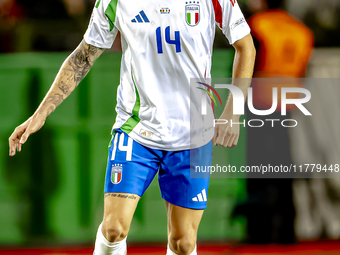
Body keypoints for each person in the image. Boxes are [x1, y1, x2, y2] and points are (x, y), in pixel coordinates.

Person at [9, 0, 255, 254]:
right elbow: (84, 55)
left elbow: (246, 47)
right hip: (136, 130)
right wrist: (41, 113)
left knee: (183, 242)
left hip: (192, 134)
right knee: (114, 228)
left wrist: (232, 113)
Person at [239, 0, 313, 244]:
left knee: (260, 167)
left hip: (260, 101)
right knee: (283, 165)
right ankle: (286, 230)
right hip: (288, 103)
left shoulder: (257, 25)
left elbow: (247, 62)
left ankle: (262, 231)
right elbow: (303, 70)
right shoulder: (300, 30)